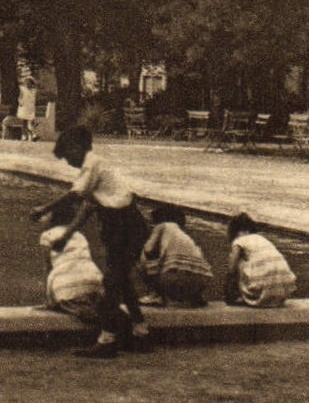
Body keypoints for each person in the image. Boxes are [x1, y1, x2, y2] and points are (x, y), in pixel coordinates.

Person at [30, 125, 152, 358]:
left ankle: (107, 340)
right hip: (121, 226)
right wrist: (65, 237)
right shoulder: (98, 170)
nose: (69, 163)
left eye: (68, 157)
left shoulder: (92, 164)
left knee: (111, 283)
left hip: (124, 226)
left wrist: (44, 208)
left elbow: (74, 195)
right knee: (122, 282)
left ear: (77, 148)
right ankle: (140, 332)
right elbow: (86, 209)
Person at [38, 195, 106, 326]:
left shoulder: (47, 236)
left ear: (53, 217)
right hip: (95, 280)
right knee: (94, 303)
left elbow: (48, 268)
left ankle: (84, 312)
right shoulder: (79, 235)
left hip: (67, 283)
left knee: (70, 304)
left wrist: (49, 300)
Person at [138, 203, 212, 307]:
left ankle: (155, 295)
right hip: (201, 282)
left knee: (143, 256)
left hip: (173, 280)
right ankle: (195, 297)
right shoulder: (185, 237)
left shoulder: (163, 226)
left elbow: (148, 249)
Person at [223, 213, 297, 307]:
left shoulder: (239, 241)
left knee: (238, 261)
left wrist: (226, 291)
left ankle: (238, 296)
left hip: (261, 291)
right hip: (285, 290)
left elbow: (231, 268)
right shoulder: (262, 239)